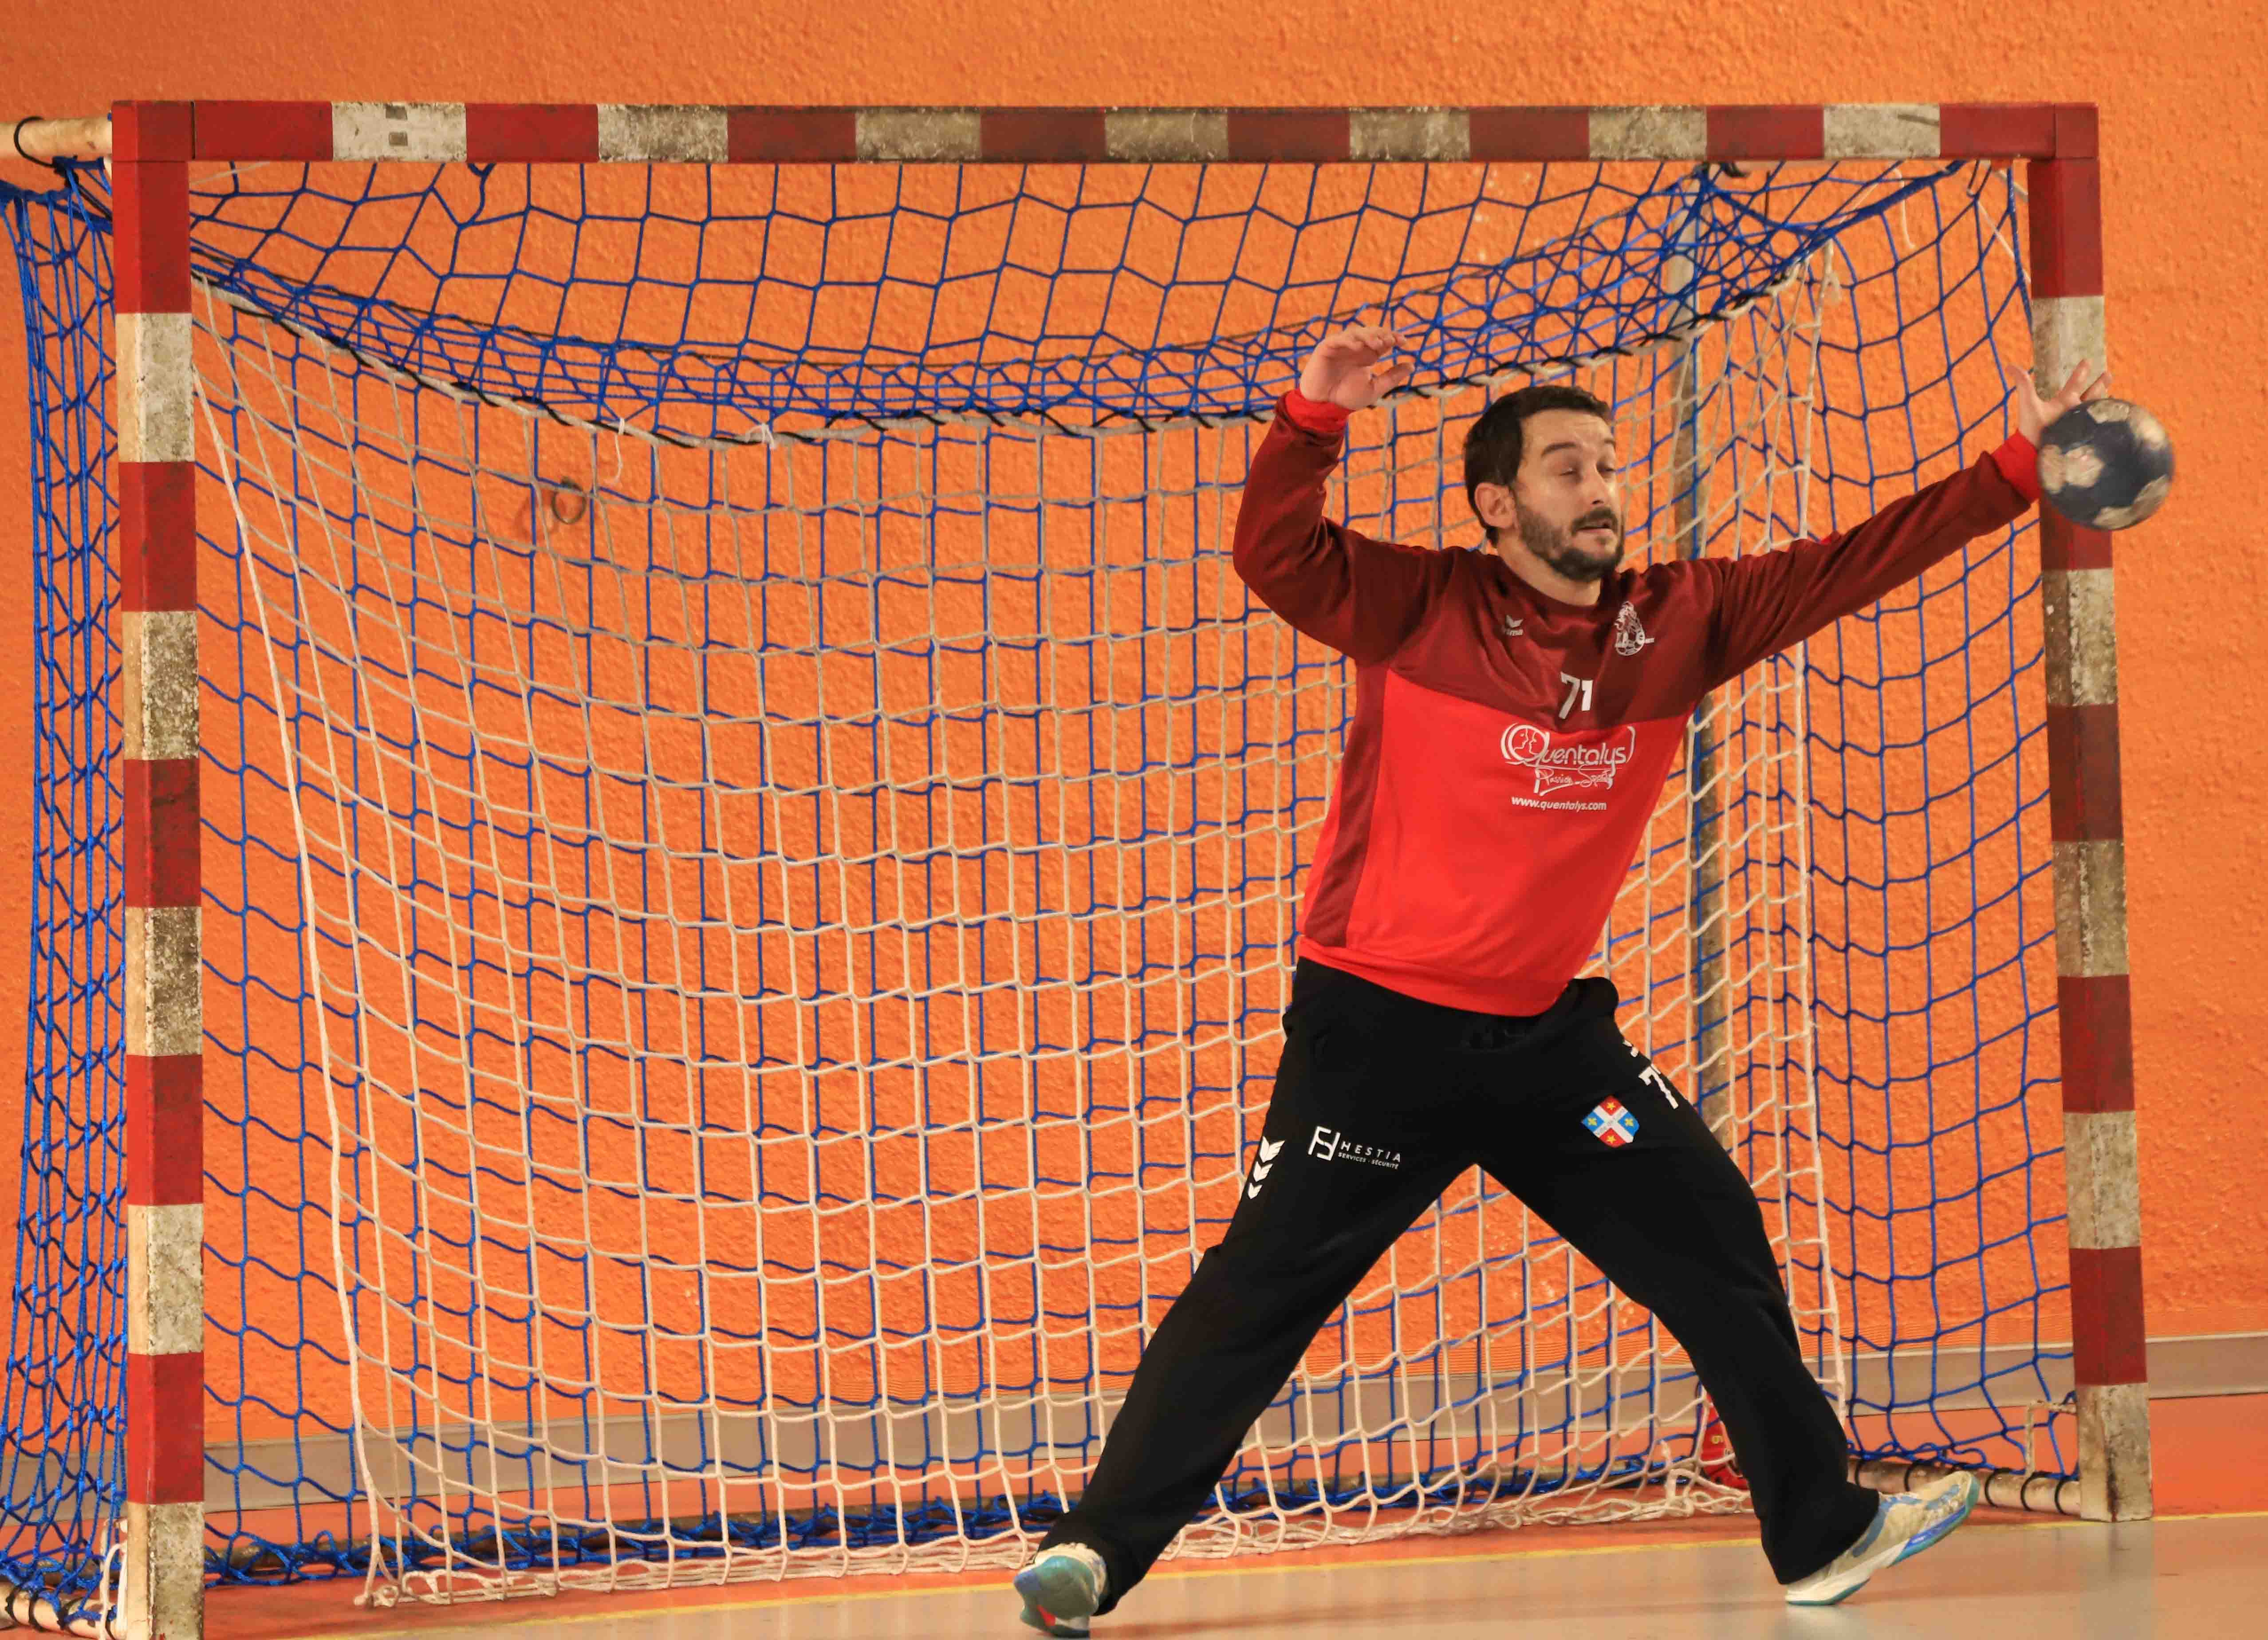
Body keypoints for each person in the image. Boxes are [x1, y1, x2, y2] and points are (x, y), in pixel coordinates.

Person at [1012, 326, 2107, 1634]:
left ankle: (1821, 1532)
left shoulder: (1681, 621)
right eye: (1565, 468)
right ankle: (1092, 1555)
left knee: (1714, 1237)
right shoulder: (1422, 604)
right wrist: (1313, 419)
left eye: (1607, 464)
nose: (1600, 489)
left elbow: (1846, 567)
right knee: (1257, 1296)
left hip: (1547, 1047)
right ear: (1497, 505)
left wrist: (2017, 465)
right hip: (1379, 1036)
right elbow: (1275, 556)